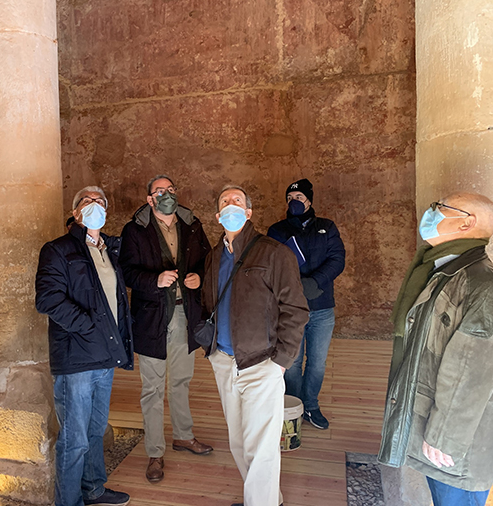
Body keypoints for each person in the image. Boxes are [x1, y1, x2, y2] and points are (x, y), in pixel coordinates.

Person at [378, 192, 493, 505]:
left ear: (467, 223)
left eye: (440, 208)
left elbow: (472, 370)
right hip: (438, 430)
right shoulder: (442, 272)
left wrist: (444, 437)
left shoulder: (483, 285)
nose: (431, 213)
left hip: (456, 447)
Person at [201, 185, 309, 506]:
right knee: (238, 441)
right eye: (225, 201)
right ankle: (266, 499)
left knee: (260, 447)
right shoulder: (213, 257)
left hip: (261, 362)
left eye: (237, 200)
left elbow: (295, 309)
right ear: (218, 216)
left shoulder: (274, 253)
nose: (230, 204)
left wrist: (281, 360)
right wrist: (211, 350)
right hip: (224, 361)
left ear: (248, 212)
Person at [35, 186, 133, 506]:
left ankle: (93, 489)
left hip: (105, 356)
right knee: (74, 438)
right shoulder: (58, 249)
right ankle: (68, 501)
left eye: (100, 201)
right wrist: (88, 328)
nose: (95, 205)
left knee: (95, 429)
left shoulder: (109, 250)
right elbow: (48, 299)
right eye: (87, 201)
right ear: (76, 212)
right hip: (76, 356)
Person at [119, 174, 213, 483]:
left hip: (185, 313)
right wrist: (154, 280)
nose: (167, 195)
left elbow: (208, 262)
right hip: (151, 317)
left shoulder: (192, 225)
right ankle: (155, 451)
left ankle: (183, 435)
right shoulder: (135, 230)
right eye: (160, 191)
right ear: (150, 199)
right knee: (153, 387)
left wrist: (199, 279)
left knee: (181, 380)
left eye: (170, 189)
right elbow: (126, 272)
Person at [267, 178, 345, 430]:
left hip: (322, 307)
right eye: (290, 198)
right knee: (291, 361)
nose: (294, 202)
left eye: (299, 197)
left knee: (317, 362)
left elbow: (337, 259)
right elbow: (272, 265)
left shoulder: (326, 227)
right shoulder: (277, 231)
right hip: (289, 308)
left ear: (309, 201)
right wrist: (297, 285)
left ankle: (310, 405)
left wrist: (315, 281)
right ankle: (293, 405)